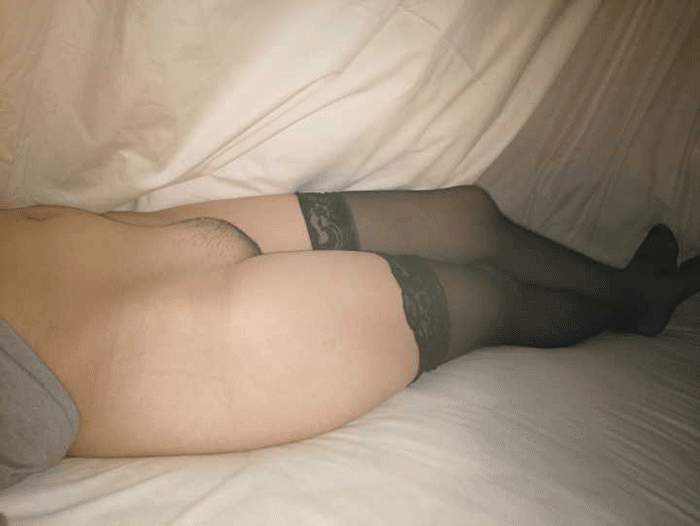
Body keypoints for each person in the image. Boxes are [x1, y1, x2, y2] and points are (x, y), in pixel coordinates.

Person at [1, 185, 698, 490]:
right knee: (489, 299)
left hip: (125, 245)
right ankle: (633, 308)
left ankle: (631, 295)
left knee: (467, 217)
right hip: (181, 354)